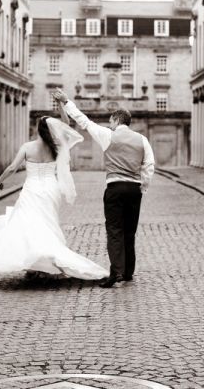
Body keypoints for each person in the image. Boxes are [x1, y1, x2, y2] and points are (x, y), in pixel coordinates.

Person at [0, 113, 108, 280]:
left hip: (32, 188)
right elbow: (67, 125)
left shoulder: (27, 147)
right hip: (50, 189)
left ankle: (34, 265)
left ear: (37, 130)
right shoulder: (57, 146)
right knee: (47, 223)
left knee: (29, 223)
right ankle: (39, 264)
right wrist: (62, 105)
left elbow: (12, 168)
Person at [51, 89, 155, 288]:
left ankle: (116, 272)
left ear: (116, 120)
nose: (110, 124)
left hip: (115, 187)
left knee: (114, 230)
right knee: (129, 231)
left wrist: (66, 102)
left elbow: (84, 121)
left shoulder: (108, 135)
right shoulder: (142, 140)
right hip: (134, 189)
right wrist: (142, 187)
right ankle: (128, 272)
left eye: (111, 121)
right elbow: (149, 166)